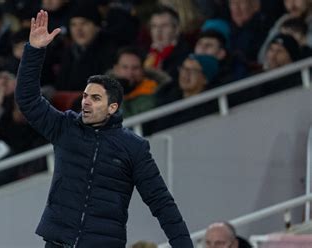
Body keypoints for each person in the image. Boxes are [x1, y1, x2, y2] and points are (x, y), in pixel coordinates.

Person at [15, 10, 192, 247]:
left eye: (95, 98)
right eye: (86, 96)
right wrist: (34, 51)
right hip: (58, 242)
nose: (86, 101)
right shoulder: (65, 127)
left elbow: (161, 203)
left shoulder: (134, 147)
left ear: (112, 107)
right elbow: (27, 99)